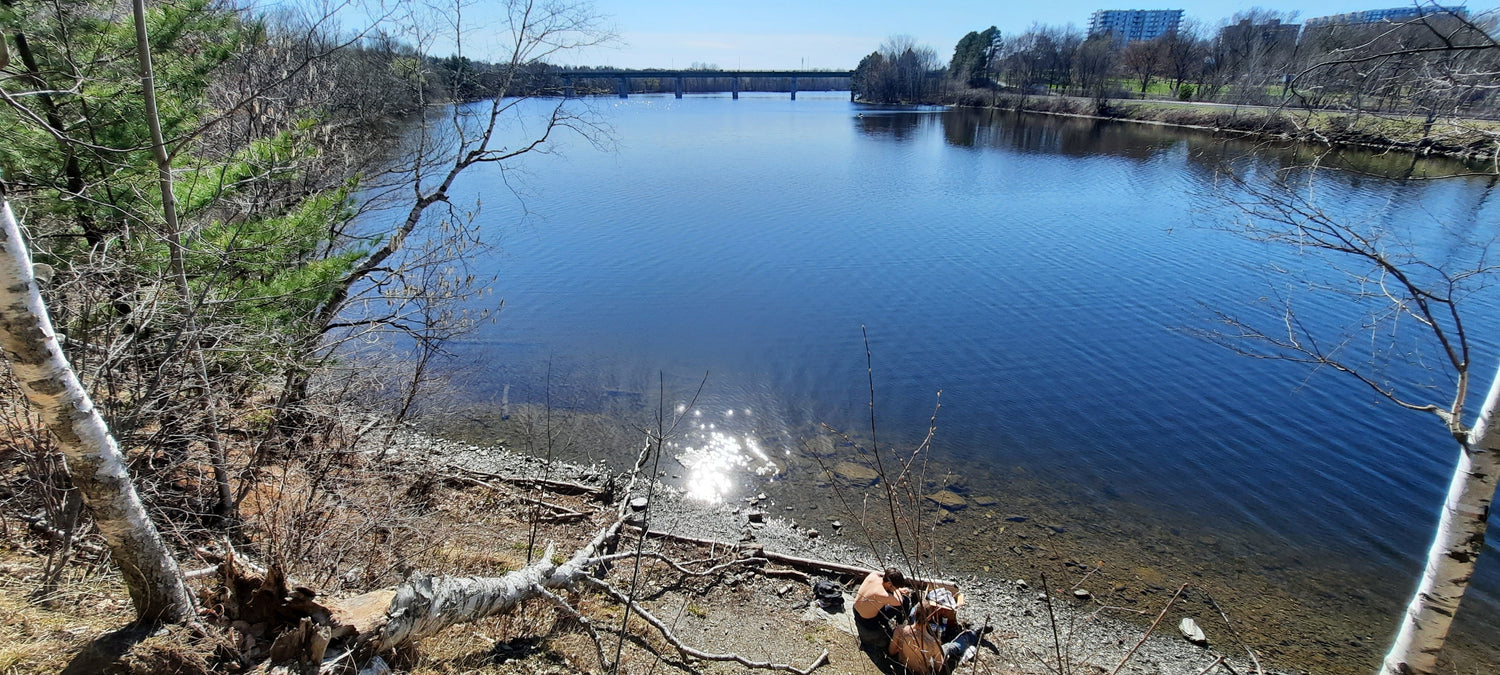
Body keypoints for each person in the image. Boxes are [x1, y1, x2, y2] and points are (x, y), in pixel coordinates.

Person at [888, 602, 986, 675]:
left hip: (904, 666)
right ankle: (973, 634)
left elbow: (891, 652)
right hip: (921, 672)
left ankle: (973, 633)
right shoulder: (933, 642)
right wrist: (944, 658)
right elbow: (938, 667)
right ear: (930, 618)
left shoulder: (899, 630)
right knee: (949, 647)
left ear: (914, 614)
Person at [853, 567, 910, 653]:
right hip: (868, 621)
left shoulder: (873, 575)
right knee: (905, 600)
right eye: (896, 587)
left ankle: (895, 624)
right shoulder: (882, 594)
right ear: (890, 584)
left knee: (889, 598)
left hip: (856, 609)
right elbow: (900, 601)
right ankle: (900, 625)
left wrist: (897, 590)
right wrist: (899, 591)